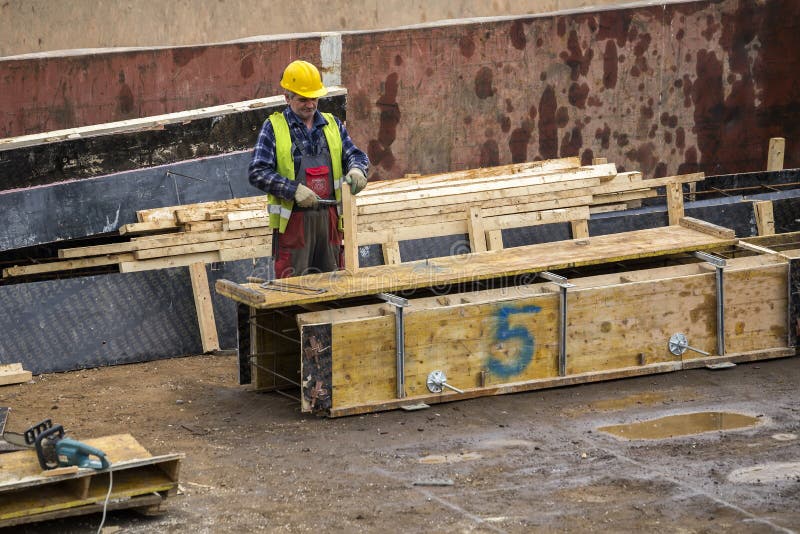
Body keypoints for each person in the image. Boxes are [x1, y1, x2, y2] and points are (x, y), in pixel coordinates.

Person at [248, 60, 370, 279]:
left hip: (329, 224)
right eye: (303, 99)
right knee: (294, 290)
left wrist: (357, 170)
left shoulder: (332, 125)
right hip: (294, 225)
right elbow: (258, 172)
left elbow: (354, 154)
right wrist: (293, 190)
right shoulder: (274, 128)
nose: (310, 104)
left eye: (314, 98)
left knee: (334, 285)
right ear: (287, 98)